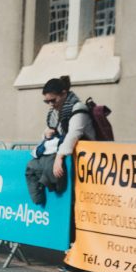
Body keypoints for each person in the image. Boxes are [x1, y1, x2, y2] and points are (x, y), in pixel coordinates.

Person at [25, 77, 96, 207]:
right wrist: (46, 134)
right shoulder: (56, 111)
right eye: (46, 101)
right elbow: (51, 131)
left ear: (64, 94)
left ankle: (49, 185)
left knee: (56, 175)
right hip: (68, 156)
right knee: (32, 166)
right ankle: (39, 198)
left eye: (53, 100)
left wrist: (59, 157)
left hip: (85, 161)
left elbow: (73, 134)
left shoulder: (78, 108)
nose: (50, 104)